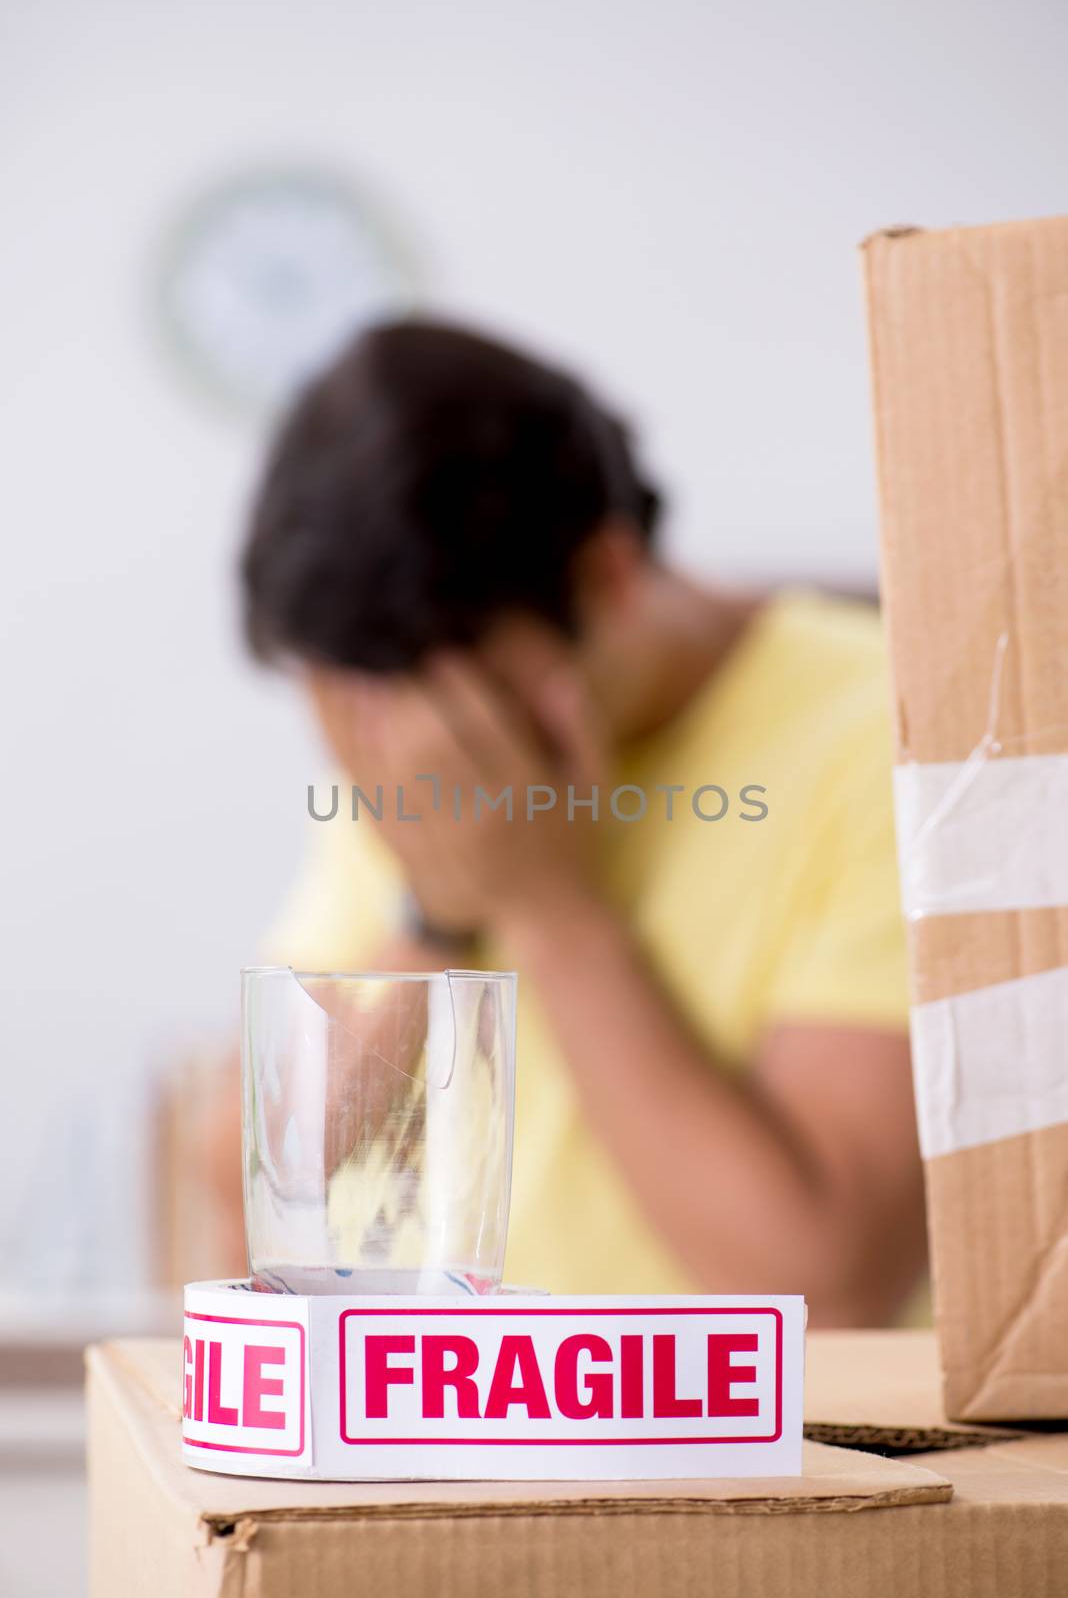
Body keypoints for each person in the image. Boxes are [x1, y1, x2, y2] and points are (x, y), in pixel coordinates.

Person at [226, 318, 925, 1324]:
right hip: (445, 1454)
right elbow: (272, 1177)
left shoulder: (897, 741)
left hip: (767, 1463)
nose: (409, 740)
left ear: (606, 575)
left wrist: (548, 902)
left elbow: (828, 1282)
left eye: (460, 694)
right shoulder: (409, 738)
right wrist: (437, 905)